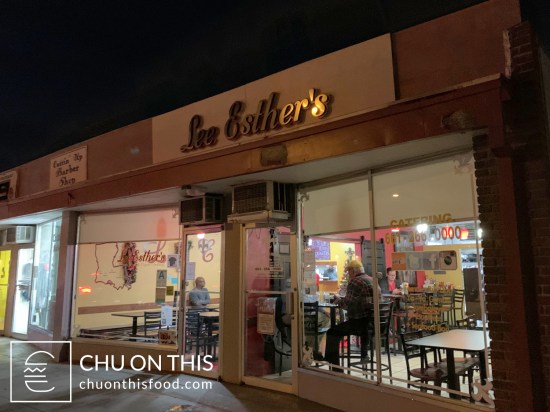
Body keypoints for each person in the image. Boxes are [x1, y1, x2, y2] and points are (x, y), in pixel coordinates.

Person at [323, 259, 375, 371]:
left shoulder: (355, 281)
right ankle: (363, 355)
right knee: (337, 331)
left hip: (360, 324)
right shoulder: (372, 279)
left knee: (332, 333)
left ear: (354, 271)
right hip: (373, 324)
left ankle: (335, 368)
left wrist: (338, 300)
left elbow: (347, 305)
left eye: (349, 272)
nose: (348, 274)